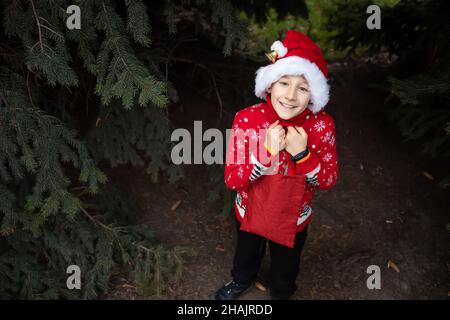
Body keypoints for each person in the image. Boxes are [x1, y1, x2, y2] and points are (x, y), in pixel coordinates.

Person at [213, 30, 339, 300]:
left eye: (303, 88)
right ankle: (241, 279)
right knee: (247, 251)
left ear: (313, 96)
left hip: (294, 218)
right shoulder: (247, 119)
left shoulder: (322, 125)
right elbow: (233, 180)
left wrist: (303, 155)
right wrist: (265, 152)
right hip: (249, 210)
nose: (291, 96)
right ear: (269, 85)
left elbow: (327, 180)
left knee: (286, 263)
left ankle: (282, 291)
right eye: (284, 83)